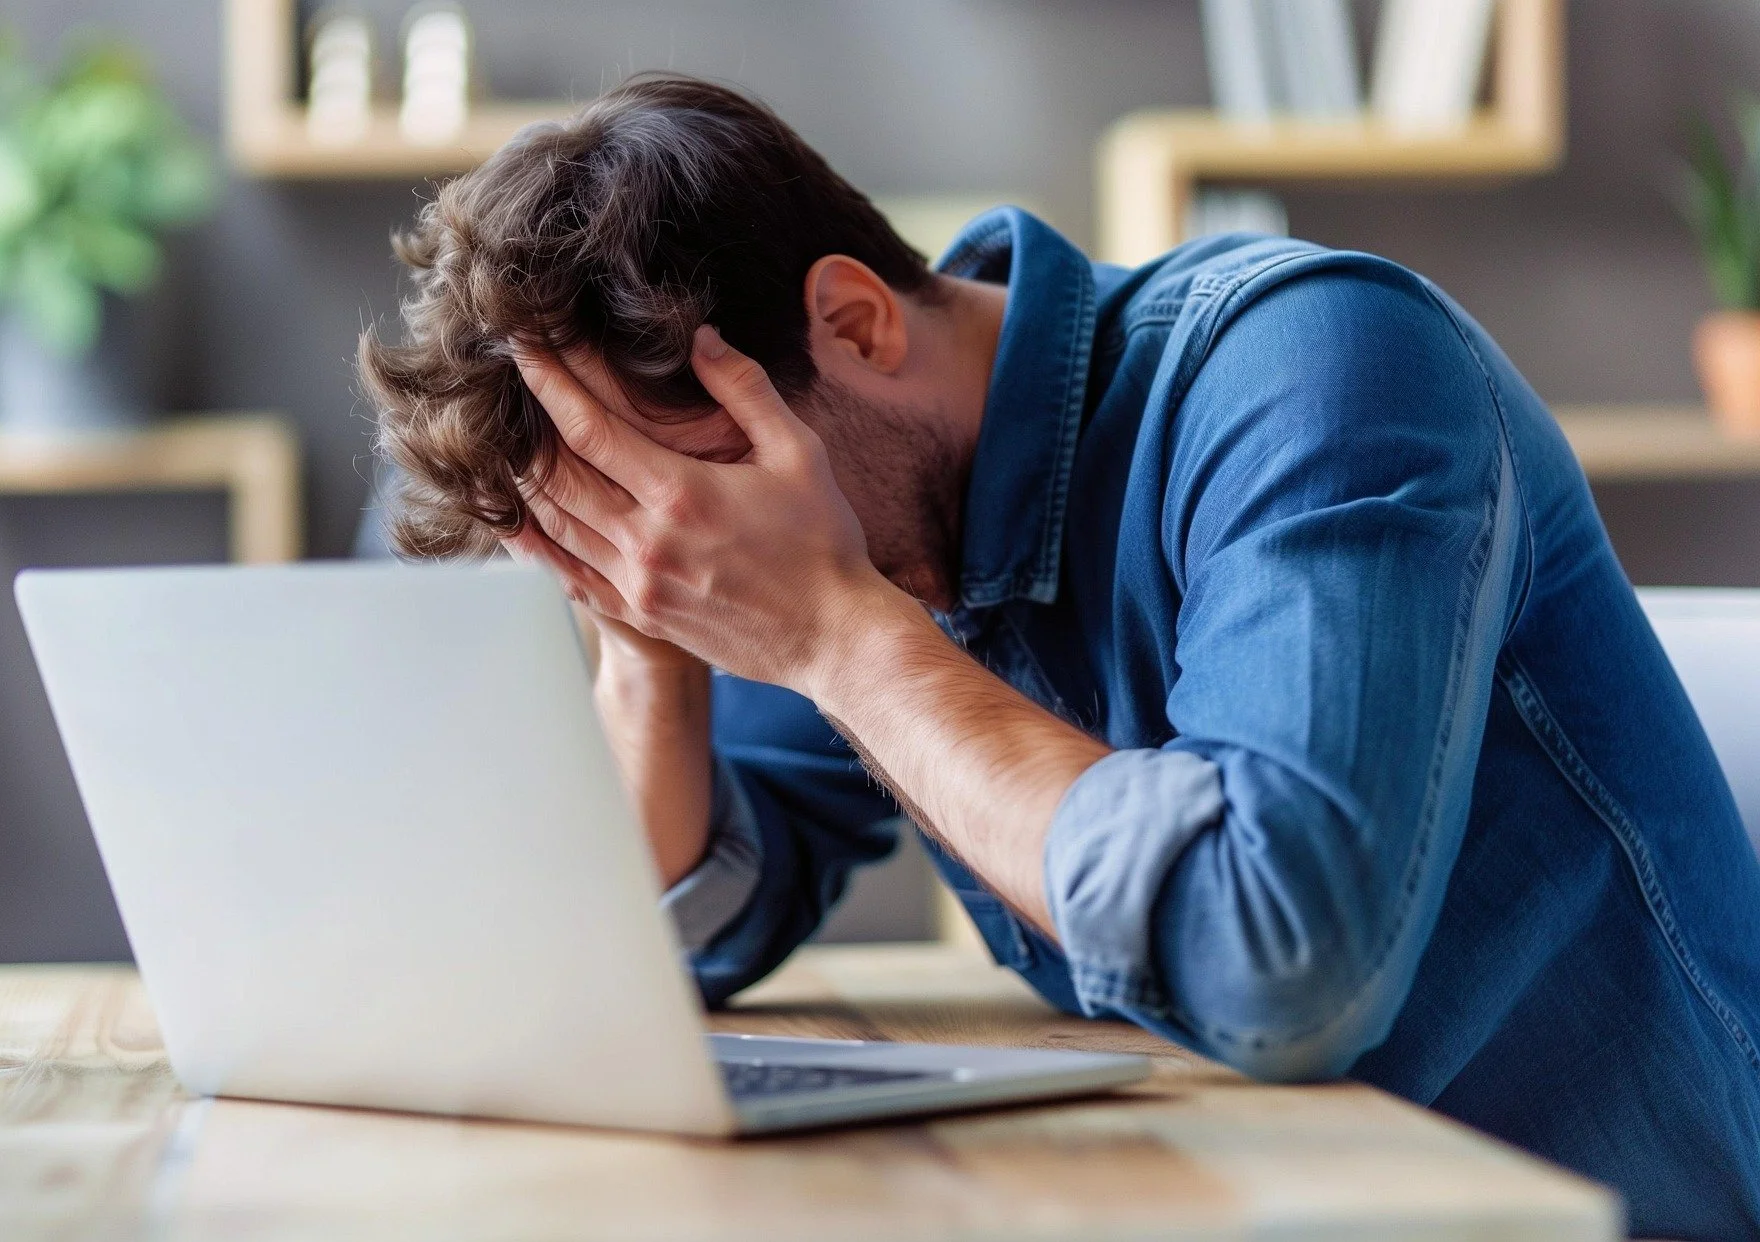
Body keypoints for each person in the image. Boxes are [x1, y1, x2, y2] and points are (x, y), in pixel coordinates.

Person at [358, 74, 1760, 1238]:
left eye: (684, 497)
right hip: (1249, 1193)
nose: (693, 551)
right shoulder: (852, 513)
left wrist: (840, 636)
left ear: (853, 325)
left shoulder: (1317, 362)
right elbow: (707, 921)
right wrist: (645, 646)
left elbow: (1281, 962)